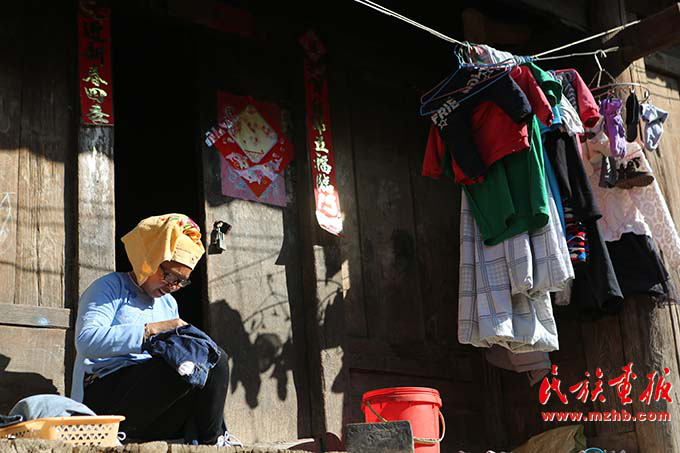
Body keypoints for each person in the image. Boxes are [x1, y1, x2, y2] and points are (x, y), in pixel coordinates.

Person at [70, 214, 240, 446]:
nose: (173, 286)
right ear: (149, 257)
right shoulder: (109, 287)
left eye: (181, 281)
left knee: (215, 359)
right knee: (183, 363)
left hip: (149, 407)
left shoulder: (168, 303)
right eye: (169, 275)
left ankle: (212, 442)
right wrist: (152, 331)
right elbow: (85, 341)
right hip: (105, 397)